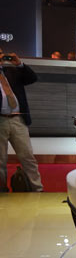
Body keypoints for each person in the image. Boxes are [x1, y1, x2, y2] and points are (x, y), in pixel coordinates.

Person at [0, 49, 43, 192]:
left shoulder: (12, 70)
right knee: (0, 160)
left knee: (27, 156)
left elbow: (32, 78)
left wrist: (19, 64)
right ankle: (1, 190)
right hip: (0, 121)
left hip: (18, 119)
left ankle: (37, 188)